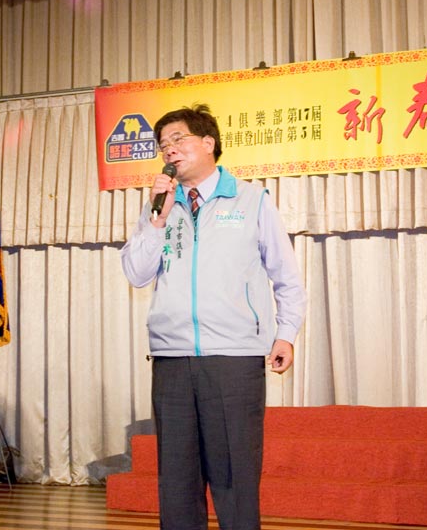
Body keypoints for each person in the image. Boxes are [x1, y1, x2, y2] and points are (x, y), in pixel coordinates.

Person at [121, 104, 307, 530]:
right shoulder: (159, 206)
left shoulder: (251, 200)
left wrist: (286, 333)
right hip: (171, 358)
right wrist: (156, 221)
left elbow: (286, 276)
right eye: (163, 145)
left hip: (234, 358)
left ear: (209, 143)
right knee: (177, 481)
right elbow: (136, 273)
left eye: (178, 139)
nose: (169, 149)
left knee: (234, 476)